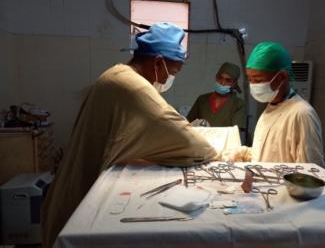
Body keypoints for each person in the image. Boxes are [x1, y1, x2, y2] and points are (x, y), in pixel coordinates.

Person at [41, 22, 220, 248]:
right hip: (77, 210)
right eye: (172, 72)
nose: (168, 80)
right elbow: (184, 138)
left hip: (69, 194)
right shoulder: (133, 87)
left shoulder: (115, 73)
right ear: (158, 62)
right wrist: (216, 151)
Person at [229, 41, 324, 167]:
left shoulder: (302, 114)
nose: (253, 85)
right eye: (250, 79)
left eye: (258, 80)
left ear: (282, 77)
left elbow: (311, 171)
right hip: (265, 183)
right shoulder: (271, 107)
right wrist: (245, 153)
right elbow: (271, 153)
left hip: (283, 187)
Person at [186, 62, 246, 131]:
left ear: (234, 84)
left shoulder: (238, 104)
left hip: (224, 141)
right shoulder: (202, 99)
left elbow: (235, 132)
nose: (222, 83)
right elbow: (188, 123)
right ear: (216, 77)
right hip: (201, 141)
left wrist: (213, 133)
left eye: (228, 80)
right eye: (220, 78)